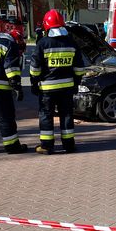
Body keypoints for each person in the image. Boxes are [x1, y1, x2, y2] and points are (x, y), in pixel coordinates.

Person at [30, 9, 85, 154]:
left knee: (46, 115)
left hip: (47, 89)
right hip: (67, 88)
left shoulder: (43, 43)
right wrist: (76, 82)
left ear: (47, 26)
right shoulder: (72, 43)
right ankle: (69, 144)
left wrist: (34, 83)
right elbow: (79, 68)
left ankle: (47, 146)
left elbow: (35, 69)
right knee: (67, 115)